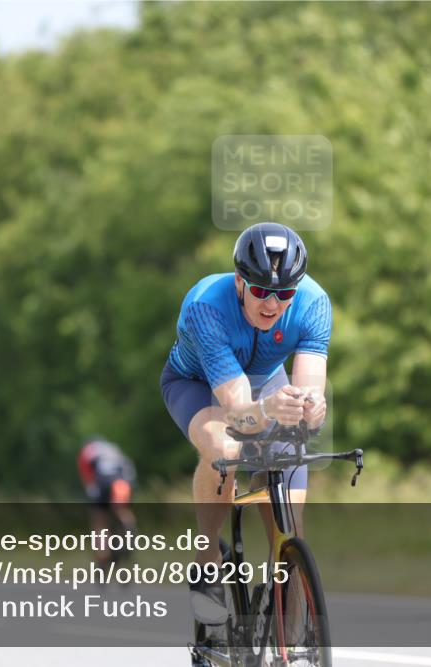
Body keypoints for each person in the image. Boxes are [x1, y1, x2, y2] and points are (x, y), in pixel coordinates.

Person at [160, 222, 331, 626]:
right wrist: (270, 410)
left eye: (284, 294)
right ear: (240, 282)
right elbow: (238, 414)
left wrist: (311, 409)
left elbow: (309, 389)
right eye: (261, 292)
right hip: (199, 383)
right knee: (225, 447)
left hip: (268, 383)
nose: (272, 304)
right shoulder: (207, 306)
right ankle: (208, 559)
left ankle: (288, 634)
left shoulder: (314, 303)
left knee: (291, 529)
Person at [77, 437, 137, 566]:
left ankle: (103, 554)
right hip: (122, 482)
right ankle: (128, 531)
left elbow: (86, 475)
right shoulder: (113, 448)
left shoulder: (87, 450)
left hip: (102, 482)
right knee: (123, 510)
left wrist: (91, 491)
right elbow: (129, 468)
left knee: (99, 519)